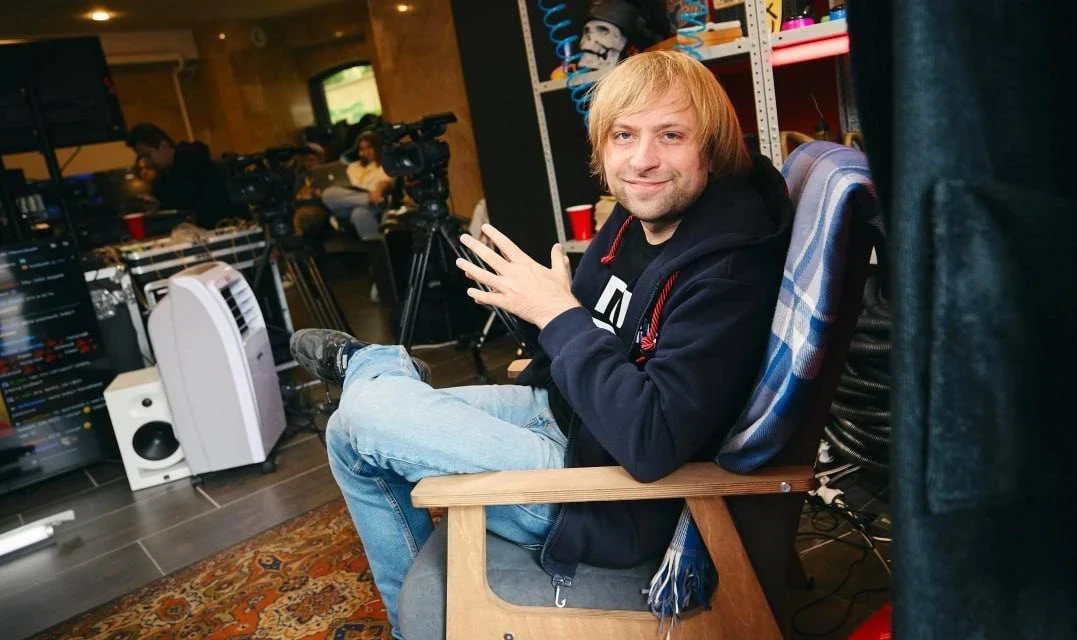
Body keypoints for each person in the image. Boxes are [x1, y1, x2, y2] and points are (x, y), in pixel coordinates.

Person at [290, 51, 793, 637]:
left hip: (609, 491)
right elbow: (595, 334)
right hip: (568, 415)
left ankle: (373, 365)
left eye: (671, 135)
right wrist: (535, 309)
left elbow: (653, 442)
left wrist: (558, 313)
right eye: (623, 135)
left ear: (711, 147)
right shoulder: (637, 214)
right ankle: (379, 378)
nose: (642, 160)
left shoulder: (727, 271)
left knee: (366, 415)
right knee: (346, 432)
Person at [125, 123, 245, 229]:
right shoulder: (172, 172)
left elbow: (187, 205)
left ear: (163, 146)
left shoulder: (192, 166)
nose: (146, 162)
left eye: (147, 155)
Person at [320, 131, 395, 241]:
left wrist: (379, 191)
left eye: (369, 147)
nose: (366, 152)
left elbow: (387, 182)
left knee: (359, 213)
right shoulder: (353, 167)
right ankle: (369, 200)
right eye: (362, 149)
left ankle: (378, 248)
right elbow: (343, 185)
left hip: (377, 199)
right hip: (352, 201)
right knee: (328, 194)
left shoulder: (385, 165)